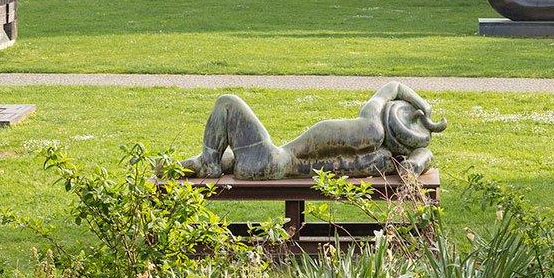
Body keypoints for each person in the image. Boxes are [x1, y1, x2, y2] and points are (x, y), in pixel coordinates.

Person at [178, 83, 444, 180]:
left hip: (271, 161)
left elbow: (392, 87)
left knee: (226, 102)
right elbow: (421, 158)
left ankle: (208, 162)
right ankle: (201, 163)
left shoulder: (372, 130)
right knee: (229, 157)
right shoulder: (385, 159)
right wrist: (416, 156)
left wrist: (424, 108)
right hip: (266, 164)